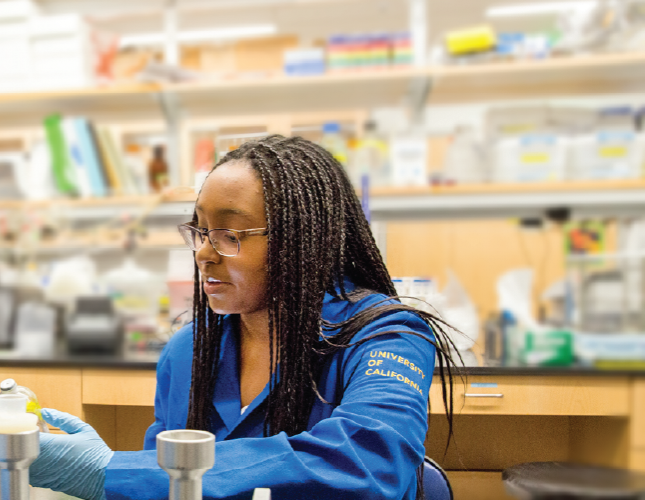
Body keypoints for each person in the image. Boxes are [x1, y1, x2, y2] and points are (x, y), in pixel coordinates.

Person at [29, 135, 457, 500]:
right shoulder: (189, 350)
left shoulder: (385, 336)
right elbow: (164, 479)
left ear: (300, 239)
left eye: (229, 235)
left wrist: (116, 472)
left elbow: (369, 461)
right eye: (200, 231)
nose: (203, 253)